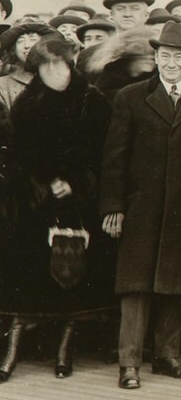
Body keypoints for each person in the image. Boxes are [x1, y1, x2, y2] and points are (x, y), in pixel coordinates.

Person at [99, 21, 181, 389]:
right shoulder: (131, 97)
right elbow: (114, 159)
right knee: (135, 287)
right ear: (155, 57)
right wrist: (113, 207)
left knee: (179, 283)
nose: (171, 63)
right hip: (142, 208)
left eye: (179, 56)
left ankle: (167, 356)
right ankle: (129, 363)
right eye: (164, 55)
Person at [1, 36, 113, 382]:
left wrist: (75, 183)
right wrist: (40, 182)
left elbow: (103, 154)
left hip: (79, 205)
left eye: (59, 64)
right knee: (29, 273)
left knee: (74, 273)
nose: (53, 72)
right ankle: (14, 347)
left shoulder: (93, 101)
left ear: (70, 64)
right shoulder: (26, 102)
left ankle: (66, 347)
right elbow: (16, 153)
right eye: (45, 65)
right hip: (36, 202)